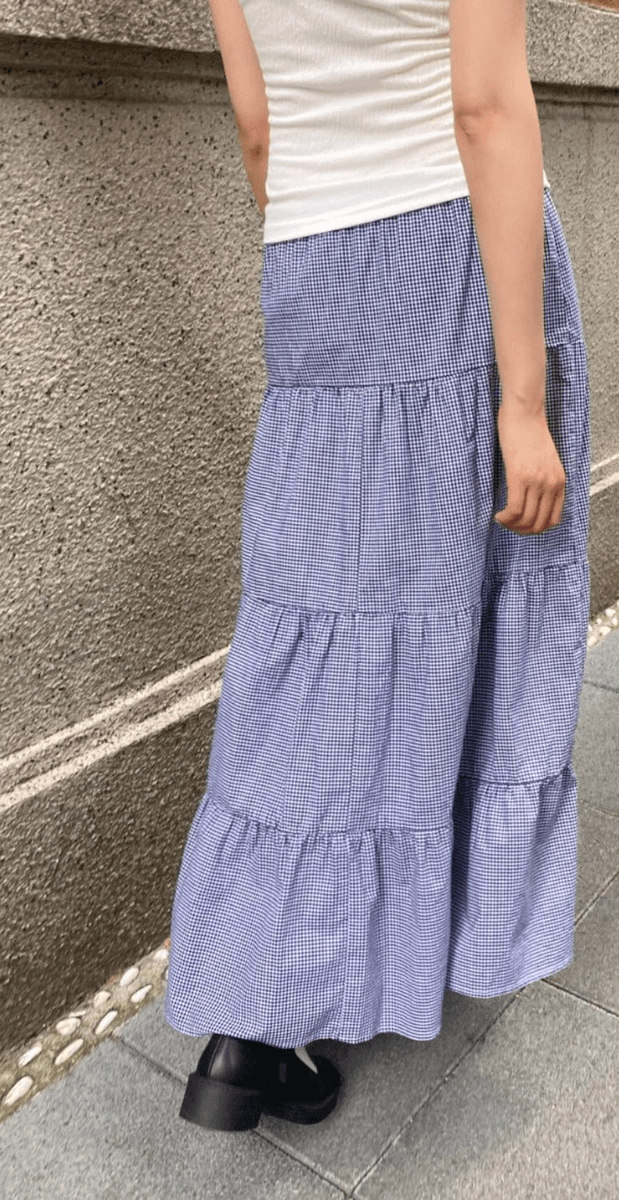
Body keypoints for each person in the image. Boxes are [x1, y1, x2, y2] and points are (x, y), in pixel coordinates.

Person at [163, 0, 591, 1132]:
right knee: (478, 603)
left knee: (315, 623)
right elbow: (485, 109)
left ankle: (243, 1022)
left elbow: (261, 128)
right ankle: (413, 939)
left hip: (311, 256)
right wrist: (522, 399)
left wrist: (331, 246)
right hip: (454, 249)